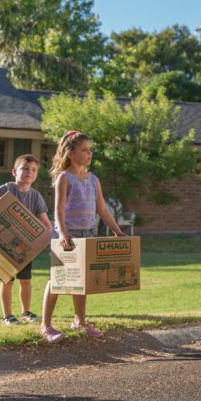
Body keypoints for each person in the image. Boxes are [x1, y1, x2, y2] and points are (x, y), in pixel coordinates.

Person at [39, 130, 127, 344]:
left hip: (88, 234)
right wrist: (62, 233)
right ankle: (46, 325)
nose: (89, 154)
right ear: (70, 153)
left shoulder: (94, 179)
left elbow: (103, 209)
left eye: (90, 150)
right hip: (67, 236)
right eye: (84, 150)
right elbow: (58, 208)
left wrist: (117, 230)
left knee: (81, 281)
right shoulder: (64, 178)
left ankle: (79, 321)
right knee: (57, 279)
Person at [0, 154, 51, 326]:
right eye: (25, 169)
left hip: (25, 246)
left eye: (33, 170)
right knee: (7, 279)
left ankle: (26, 312)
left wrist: (46, 238)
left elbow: (45, 223)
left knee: (26, 280)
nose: (29, 172)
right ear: (14, 171)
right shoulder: (6, 188)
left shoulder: (36, 197)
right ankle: (8, 316)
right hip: (3, 243)